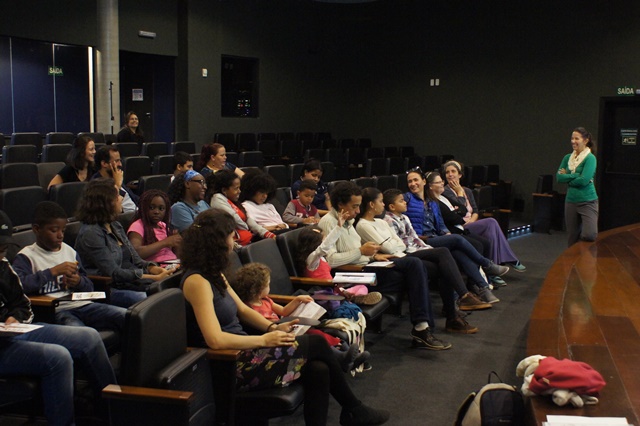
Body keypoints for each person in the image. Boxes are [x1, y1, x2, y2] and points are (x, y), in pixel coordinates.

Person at [180, 208, 390, 426]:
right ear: (216, 242)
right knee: (317, 342)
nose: (234, 243)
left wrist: (272, 328)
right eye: (231, 237)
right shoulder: (197, 282)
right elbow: (215, 339)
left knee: (319, 369)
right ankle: (355, 409)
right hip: (232, 365)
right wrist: (263, 340)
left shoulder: (215, 273)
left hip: (247, 351)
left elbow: (242, 309)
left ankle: (352, 410)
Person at [0, 209, 116, 426]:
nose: (1, 256)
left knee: (88, 337)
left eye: (4, 249)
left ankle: (112, 408)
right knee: (58, 356)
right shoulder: (26, 257)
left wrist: (14, 319)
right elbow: (29, 286)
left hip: (13, 332)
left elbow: (22, 304)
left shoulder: (3, 267)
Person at [318, 181, 451, 350]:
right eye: (354, 206)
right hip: (353, 276)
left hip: (368, 266)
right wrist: (361, 251)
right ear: (340, 204)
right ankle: (422, 328)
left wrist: (374, 255)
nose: (358, 211)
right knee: (413, 265)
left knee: (416, 268)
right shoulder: (329, 223)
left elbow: (357, 251)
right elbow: (330, 261)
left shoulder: (347, 221)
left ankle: (422, 327)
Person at [355, 188, 489, 334]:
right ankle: (461, 300)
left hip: (403, 254)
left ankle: (454, 315)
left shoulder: (380, 222)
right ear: (371, 205)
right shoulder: (363, 225)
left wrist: (393, 244)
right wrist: (393, 244)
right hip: (400, 258)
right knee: (444, 253)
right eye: (380, 201)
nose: (383, 205)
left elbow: (398, 243)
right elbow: (390, 248)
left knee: (444, 267)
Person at [233, 262, 369, 373]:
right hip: (279, 334)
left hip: (287, 326)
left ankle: (349, 356)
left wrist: (297, 300)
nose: (269, 287)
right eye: (267, 285)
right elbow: (264, 327)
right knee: (315, 335)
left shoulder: (266, 300)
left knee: (319, 333)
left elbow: (284, 310)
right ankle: (343, 357)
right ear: (257, 289)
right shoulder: (250, 309)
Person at [12, 201, 126, 331]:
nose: (60, 235)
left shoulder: (69, 251)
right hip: (56, 310)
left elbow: (89, 286)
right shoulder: (26, 256)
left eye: (63, 230)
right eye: (54, 230)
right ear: (36, 229)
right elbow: (19, 287)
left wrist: (78, 282)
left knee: (127, 317)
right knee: (83, 333)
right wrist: (52, 272)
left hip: (82, 305)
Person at [404, 169, 506, 304]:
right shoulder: (407, 198)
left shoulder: (433, 202)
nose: (412, 184)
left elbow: (440, 224)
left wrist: (446, 234)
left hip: (434, 237)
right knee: (457, 239)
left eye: (415, 180)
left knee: (458, 252)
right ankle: (487, 264)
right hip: (421, 240)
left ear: (424, 182)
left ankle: (483, 288)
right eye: (409, 181)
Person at [74, 178, 174, 308]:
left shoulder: (115, 225)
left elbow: (136, 259)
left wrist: (153, 268)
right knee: (152, 299)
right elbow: (114, 273)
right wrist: (153, 278)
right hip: (108, 289)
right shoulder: (91, 233)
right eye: (117, 196)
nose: (121, 199)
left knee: (172, 288)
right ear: (106, 202)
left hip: (129, 281)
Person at [441, 160, 526, 273]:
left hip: (470, 223)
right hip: (459, 227)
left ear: (460, 174)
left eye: (453, 171)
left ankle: (493, 265)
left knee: (491, 228)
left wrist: (471, 221)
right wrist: (459, 193)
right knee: (491, 222)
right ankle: (502, 261)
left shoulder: (467, 190)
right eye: (447, 172)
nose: (450, 174)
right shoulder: (445, 192)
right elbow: (459, 211)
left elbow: (475, 211)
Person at [295, 213, 382, 306]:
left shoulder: (321, 258)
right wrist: (338, 227)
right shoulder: (311, 259)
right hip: (323, 291)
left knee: (362, 287)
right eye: (324, 238)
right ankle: (352, 298)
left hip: (333, 286)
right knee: (342, 296)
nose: (326, 240)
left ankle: (352, 297)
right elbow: (324, 247)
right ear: (315, 242)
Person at [208, 169, 276, 246]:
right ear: (224, 190)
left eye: (239, 188)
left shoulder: (234, 200)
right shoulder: (217, 199)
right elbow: (233, 217)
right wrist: (248, 229)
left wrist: (266, 233)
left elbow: (247, 219)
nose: (239, 191)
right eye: (236, 188)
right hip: (240, 244)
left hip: (249, 239)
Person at [557, 127, 598, 246]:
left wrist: (568, 177)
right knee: (572, 237)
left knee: (589, 234)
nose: (573, 141)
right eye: (572, 138)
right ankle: (573, 263)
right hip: (571, 201)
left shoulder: (590, 158)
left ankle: (585, 259)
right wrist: (575, 175)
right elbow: (559, 178)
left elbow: (584, 181)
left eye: (577, 138)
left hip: (588, 201)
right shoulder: (567, 158)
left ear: (585, 140)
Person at [128, 189, 181, 263]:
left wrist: (176, 243)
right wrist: (165, 242)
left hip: (173, 263)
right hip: (155, 268)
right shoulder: (138, 226)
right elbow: (135, 253)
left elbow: (175, 254)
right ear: (144, 207)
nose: (156, 212)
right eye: (151, 208)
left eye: (161, 209)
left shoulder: (163, 225)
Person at [91, 145, 138, 213]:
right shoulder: (96, 185)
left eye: (120, 160)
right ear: (104, 163)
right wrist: (117, 185)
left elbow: (134, 198)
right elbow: (110, 209)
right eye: (117, 161)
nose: (120, 164)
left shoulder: (114, 176)